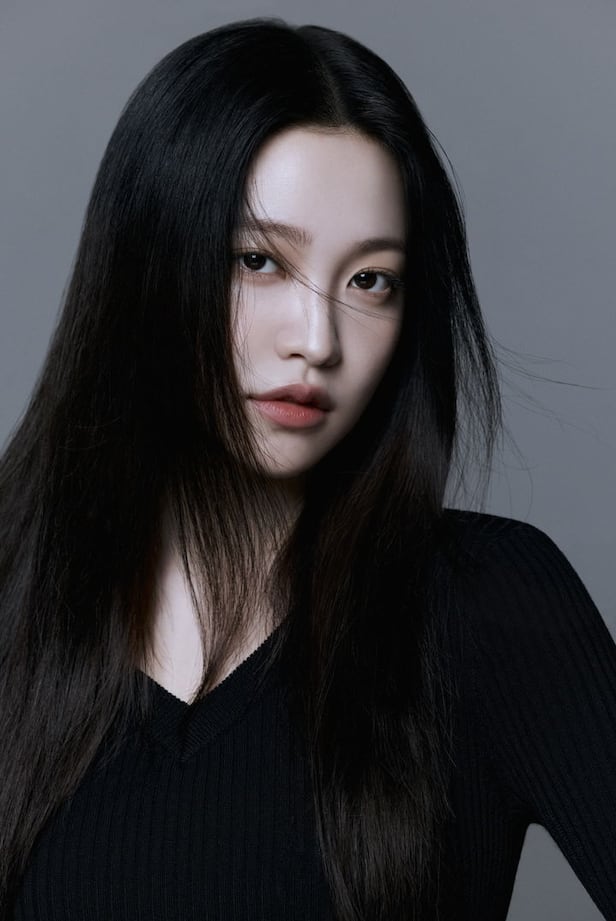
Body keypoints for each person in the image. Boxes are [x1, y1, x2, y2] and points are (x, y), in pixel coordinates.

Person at [1, 17, 615, 921]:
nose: (317, 340)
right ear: (146, 267)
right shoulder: (14, 598)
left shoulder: (494, 606)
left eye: (371, 281)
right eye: (258, 261)